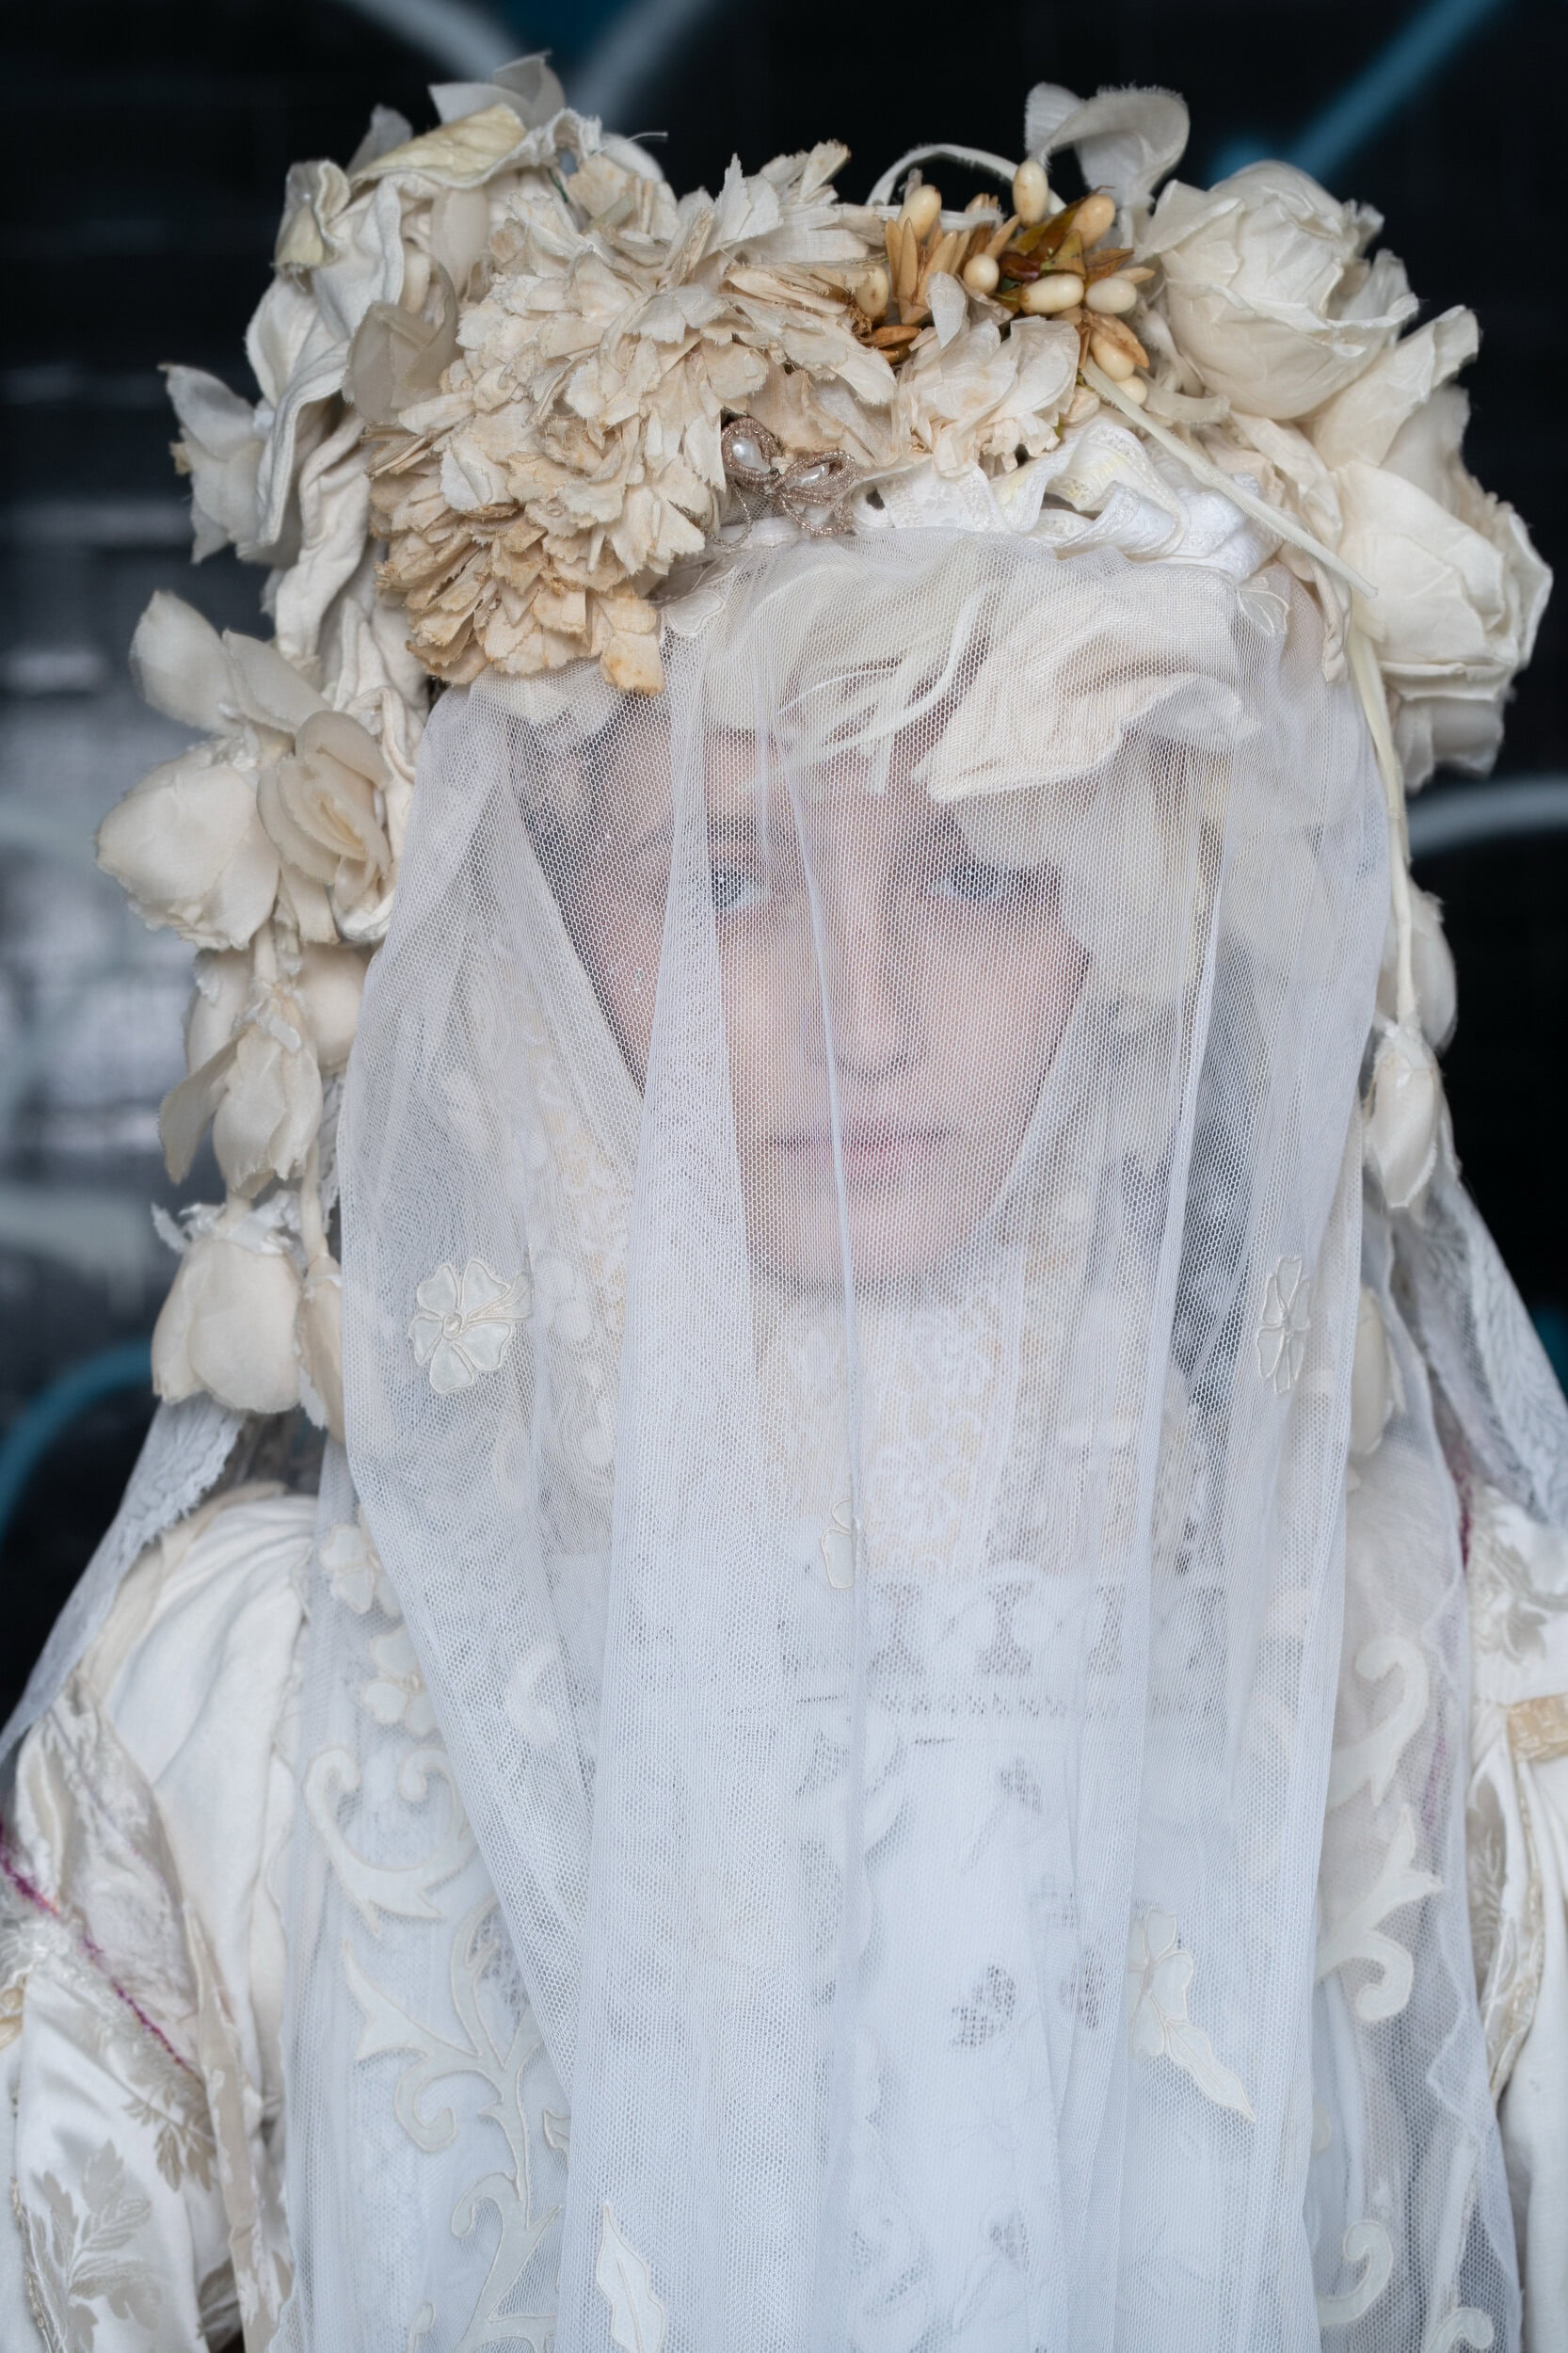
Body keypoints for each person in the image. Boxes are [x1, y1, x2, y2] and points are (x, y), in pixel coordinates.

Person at [1, 62, 1563, 2353]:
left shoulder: (1430, 1662)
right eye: (723, 878)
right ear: (529, 915)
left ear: (1142, 920)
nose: (860, 1017)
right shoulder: (247, 1696)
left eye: (983, 867)